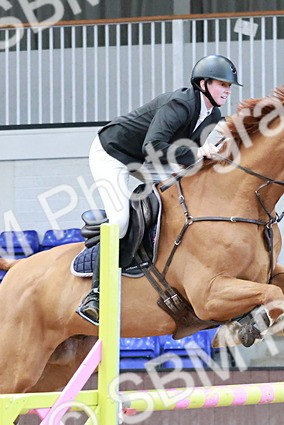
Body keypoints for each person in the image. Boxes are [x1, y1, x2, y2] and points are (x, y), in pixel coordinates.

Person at [76, 54, 240, 324]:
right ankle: (95, 294)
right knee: (119, 220)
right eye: (222, 84)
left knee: (183, 196)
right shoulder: (181, 103)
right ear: (203, 83)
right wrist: (199, 151)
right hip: (113, 154)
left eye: (229, 86)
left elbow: (186, 157)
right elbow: (153, 146)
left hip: (148, 160)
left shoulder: (213, 115)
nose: (227, 90)